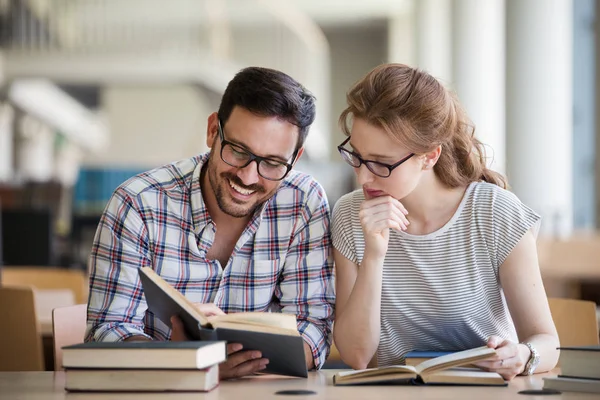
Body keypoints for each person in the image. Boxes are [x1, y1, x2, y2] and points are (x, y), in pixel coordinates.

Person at [85, 67, 335, 379]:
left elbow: (314, 330)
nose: (247, 176)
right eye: (238, 151)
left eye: (272, 163)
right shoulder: (138, 203)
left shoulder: (304, 203)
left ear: (294, 159)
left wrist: (236, 357)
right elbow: (105, 332)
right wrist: (178, 359)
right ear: (213, 130)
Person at [331, 63, 559, 381]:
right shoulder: (350, 215)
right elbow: (357, 356)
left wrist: (522, 355)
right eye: (356, 155)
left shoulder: (495, 212)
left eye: (381, 163)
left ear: (430, 156)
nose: (363, 176)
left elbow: (547, 341)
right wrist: (374, 256)